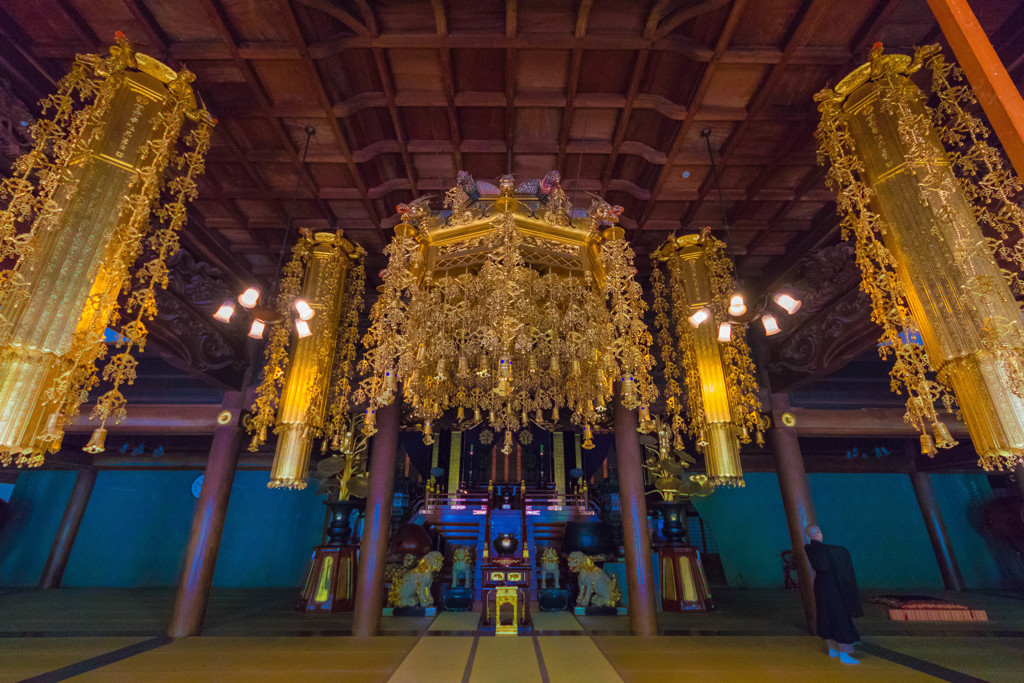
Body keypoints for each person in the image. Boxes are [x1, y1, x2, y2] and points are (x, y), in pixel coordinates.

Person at [804, 525, 863, 664]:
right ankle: (844, 653)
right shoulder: (821, 551)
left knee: (825, 615)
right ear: (817, 534)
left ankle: (832, 649)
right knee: (839, 616)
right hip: (831, 585)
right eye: (819, 532)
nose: (821, 534)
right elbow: (827, 563)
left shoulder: (810, 548)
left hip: (820, 585)